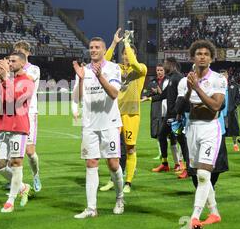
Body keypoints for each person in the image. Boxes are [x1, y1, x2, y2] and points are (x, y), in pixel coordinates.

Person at [71, 37, 125, 218]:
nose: (93, 50)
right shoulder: (83, 70)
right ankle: (91, 208)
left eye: (97, 47)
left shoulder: (113, 68)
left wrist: (99, 75)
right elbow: (76, 98)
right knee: (91, 163)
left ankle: (119, 197)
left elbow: (114, 93)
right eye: (91, 47)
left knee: (113, 163)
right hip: (89, 124)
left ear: (104, 50)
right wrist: (80, 79)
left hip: (109, 123)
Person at [177, 40, 227, 229]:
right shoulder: (184, 81)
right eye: (199, 54)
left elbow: (215, 107)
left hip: (209, 129)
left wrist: (197, 89)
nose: (203, 57)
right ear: (192, 57)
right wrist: (190, 89)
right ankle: (214, 212)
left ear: (211, 58)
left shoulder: (218, 79)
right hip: (192, 129)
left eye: (206, 54)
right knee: (200, 175)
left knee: (204, 173)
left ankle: (195, 216)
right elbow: (180, 108)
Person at [0, 52, 33, 213]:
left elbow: (17, 99)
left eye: (13, 61)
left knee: (16, 163)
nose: (10, 63)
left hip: (18, 127)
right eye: (9, 61)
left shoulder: (27, 81)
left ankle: (10, 201)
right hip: (3, 126)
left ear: (22, 63)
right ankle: (23, 186)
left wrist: (6, 78)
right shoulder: (6, 78)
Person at [101, 28, 147, 193]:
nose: (127, 56)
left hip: (131, 113)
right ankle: (113, 179)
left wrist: (127, 43)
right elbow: (104, 62)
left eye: (130, 54)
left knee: (130, 148)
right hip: (115, 113)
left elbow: (134, 63)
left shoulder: (141, 69)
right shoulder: (117, 68)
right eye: (125, 54)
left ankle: (128, 182)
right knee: (112, 149)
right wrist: (114, 43)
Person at [147, 57, 189, 179]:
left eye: (165, 64)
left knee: (181, 140)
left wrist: (178, 113)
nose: (164, 66)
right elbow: (164, 94)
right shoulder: (171, 78)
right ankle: (165, 164)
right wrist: (150, 98)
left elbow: (183, 97)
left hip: (176, 116)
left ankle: (187, 167)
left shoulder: (179, 78)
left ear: (172, 64)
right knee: (161, 135)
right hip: (169, 115)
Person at [13, 41, 42, 192]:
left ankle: (36, 174)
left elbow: (26, 82)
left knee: (30, 152)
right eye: (16, 51)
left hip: (29, 112)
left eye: (21, 52)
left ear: (28, 53)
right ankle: (18, 183)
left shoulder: (34, 69)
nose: (18, 54)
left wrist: (11, 72)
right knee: (15, 152)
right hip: (13, 113)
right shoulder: (12, 69)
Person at [144, 63, 169, 160]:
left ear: (165, 71)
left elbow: (166, 94)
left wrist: (158, 94)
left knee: (172, 135)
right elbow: (148, 94)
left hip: (167, 109)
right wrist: (151, 94)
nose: (159, 72)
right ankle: (161, 154)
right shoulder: (153, 81)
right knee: (158, 133)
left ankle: (178, 158)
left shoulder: (168, 81)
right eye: (158, 70)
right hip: (156, 108)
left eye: (161, 70)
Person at [223, 70, 240, 152]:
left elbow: (238, 98)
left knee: (234, 128)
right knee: (221, 130)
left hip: (231, 111)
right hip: (221, 112)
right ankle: (221, 146)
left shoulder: (233, 86)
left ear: (227, 75)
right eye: (221, 75)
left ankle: (235, 144)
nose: (223, 76)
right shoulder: (216, 86)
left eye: (224, 74)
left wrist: (234, 106)